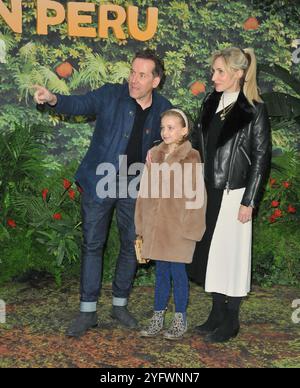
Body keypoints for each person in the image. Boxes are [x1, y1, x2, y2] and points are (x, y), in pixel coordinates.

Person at [34, 49, 172, 337]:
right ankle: (87, 312)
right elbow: (80, 103)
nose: (134, 79)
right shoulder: (111, 94)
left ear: (155, 81)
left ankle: (119, 306)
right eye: (133, 72)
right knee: (93, 244)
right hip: (101, 182)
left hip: (136, 187)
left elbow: (175, 144)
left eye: (142, 75)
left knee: (130, 246)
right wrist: (53, 99)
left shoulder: (164, 109)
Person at [187, 47, 271, 343]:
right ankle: (215, 314)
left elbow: (262, 157)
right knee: (213, 255)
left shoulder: (253, 108)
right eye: (214, 71)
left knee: (233, 256)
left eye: (220, 71)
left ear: (238, 73)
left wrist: (250, 201)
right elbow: (198, 142)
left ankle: (231, 319)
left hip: (235, 193)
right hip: (210, 190)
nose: (214, 77)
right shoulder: (211, 101)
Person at [135, 109, 206, 340]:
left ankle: (180, 318)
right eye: (163, 127)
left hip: (179, 230)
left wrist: (192, 230)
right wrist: (141, 226)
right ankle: (157, 317)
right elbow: (144, 192)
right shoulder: (154, 155)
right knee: (161, 274)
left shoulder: (191, 156)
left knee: (179, 274)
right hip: (156, 229)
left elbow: (197, 196)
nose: (165, 132)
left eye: (171, 127)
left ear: (184, 130)